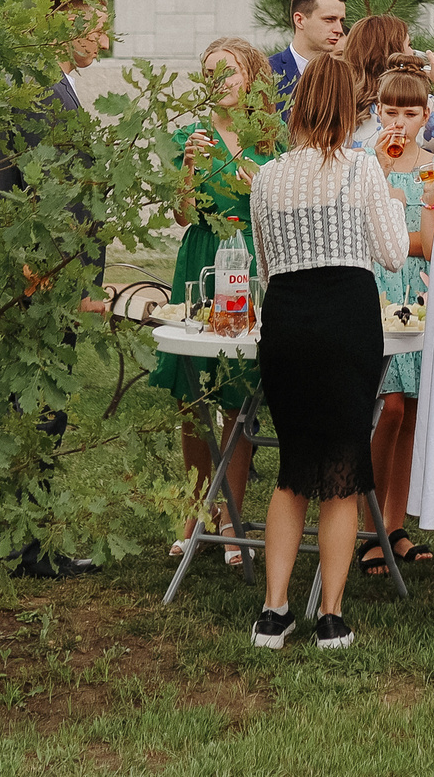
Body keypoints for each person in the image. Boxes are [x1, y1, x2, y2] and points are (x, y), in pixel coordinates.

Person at [247, 58, 408, 650]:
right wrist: (391, 195)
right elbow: (393, 254)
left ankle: (274, 610)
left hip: (287, 318)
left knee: (292, 470)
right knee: (342, 469)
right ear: (349, 109)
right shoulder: (361, 170)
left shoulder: (266, 177)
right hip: (345, 316)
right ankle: (331, 615)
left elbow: (266, 268)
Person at [0, 0, 115, 579]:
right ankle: (27, 546)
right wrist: (51, 276)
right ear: (61, 27)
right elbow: (41, 191)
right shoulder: (38, 90)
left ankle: (9, 534)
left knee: (32, 403)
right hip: (39, 274)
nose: (102, 40)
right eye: (92, 29)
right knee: (38, 407)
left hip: (45, 270)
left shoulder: (49, 84)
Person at [150, 37, 278, 563]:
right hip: (200, 259)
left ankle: (231, 515)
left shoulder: (270, 138)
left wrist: (260, 186)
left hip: (250, 258)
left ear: (250, 78)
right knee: (193, 395)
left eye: (227, 71)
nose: (217, 81)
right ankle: (195, 512)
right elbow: (180, 215)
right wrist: (185, 169)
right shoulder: (188, 135)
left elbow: (280, 211)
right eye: (208, 72)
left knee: (238, 395)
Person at [355, 68, 434, 579]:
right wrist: (403, 232)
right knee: (388, 406)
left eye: (409, 113)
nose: (399, 122)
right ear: (377, 113)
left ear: (425, 116)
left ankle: (394, 523)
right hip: (371, 291)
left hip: (418, 292)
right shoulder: (359, 166)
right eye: (390, 111)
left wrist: (404, 231)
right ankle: (365, 523)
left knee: (414, 408)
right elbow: (359, 236)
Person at [343, 15, 434, 152]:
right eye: (409, 45)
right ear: (395, 54)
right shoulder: (413, 103)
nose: (413, 53)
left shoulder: (340, 106)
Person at [269, 0, 347, 100]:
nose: (339, 29)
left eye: (341, 21)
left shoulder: (346, 77)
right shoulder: (267, 73)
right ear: (299, 20)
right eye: (329, 19)